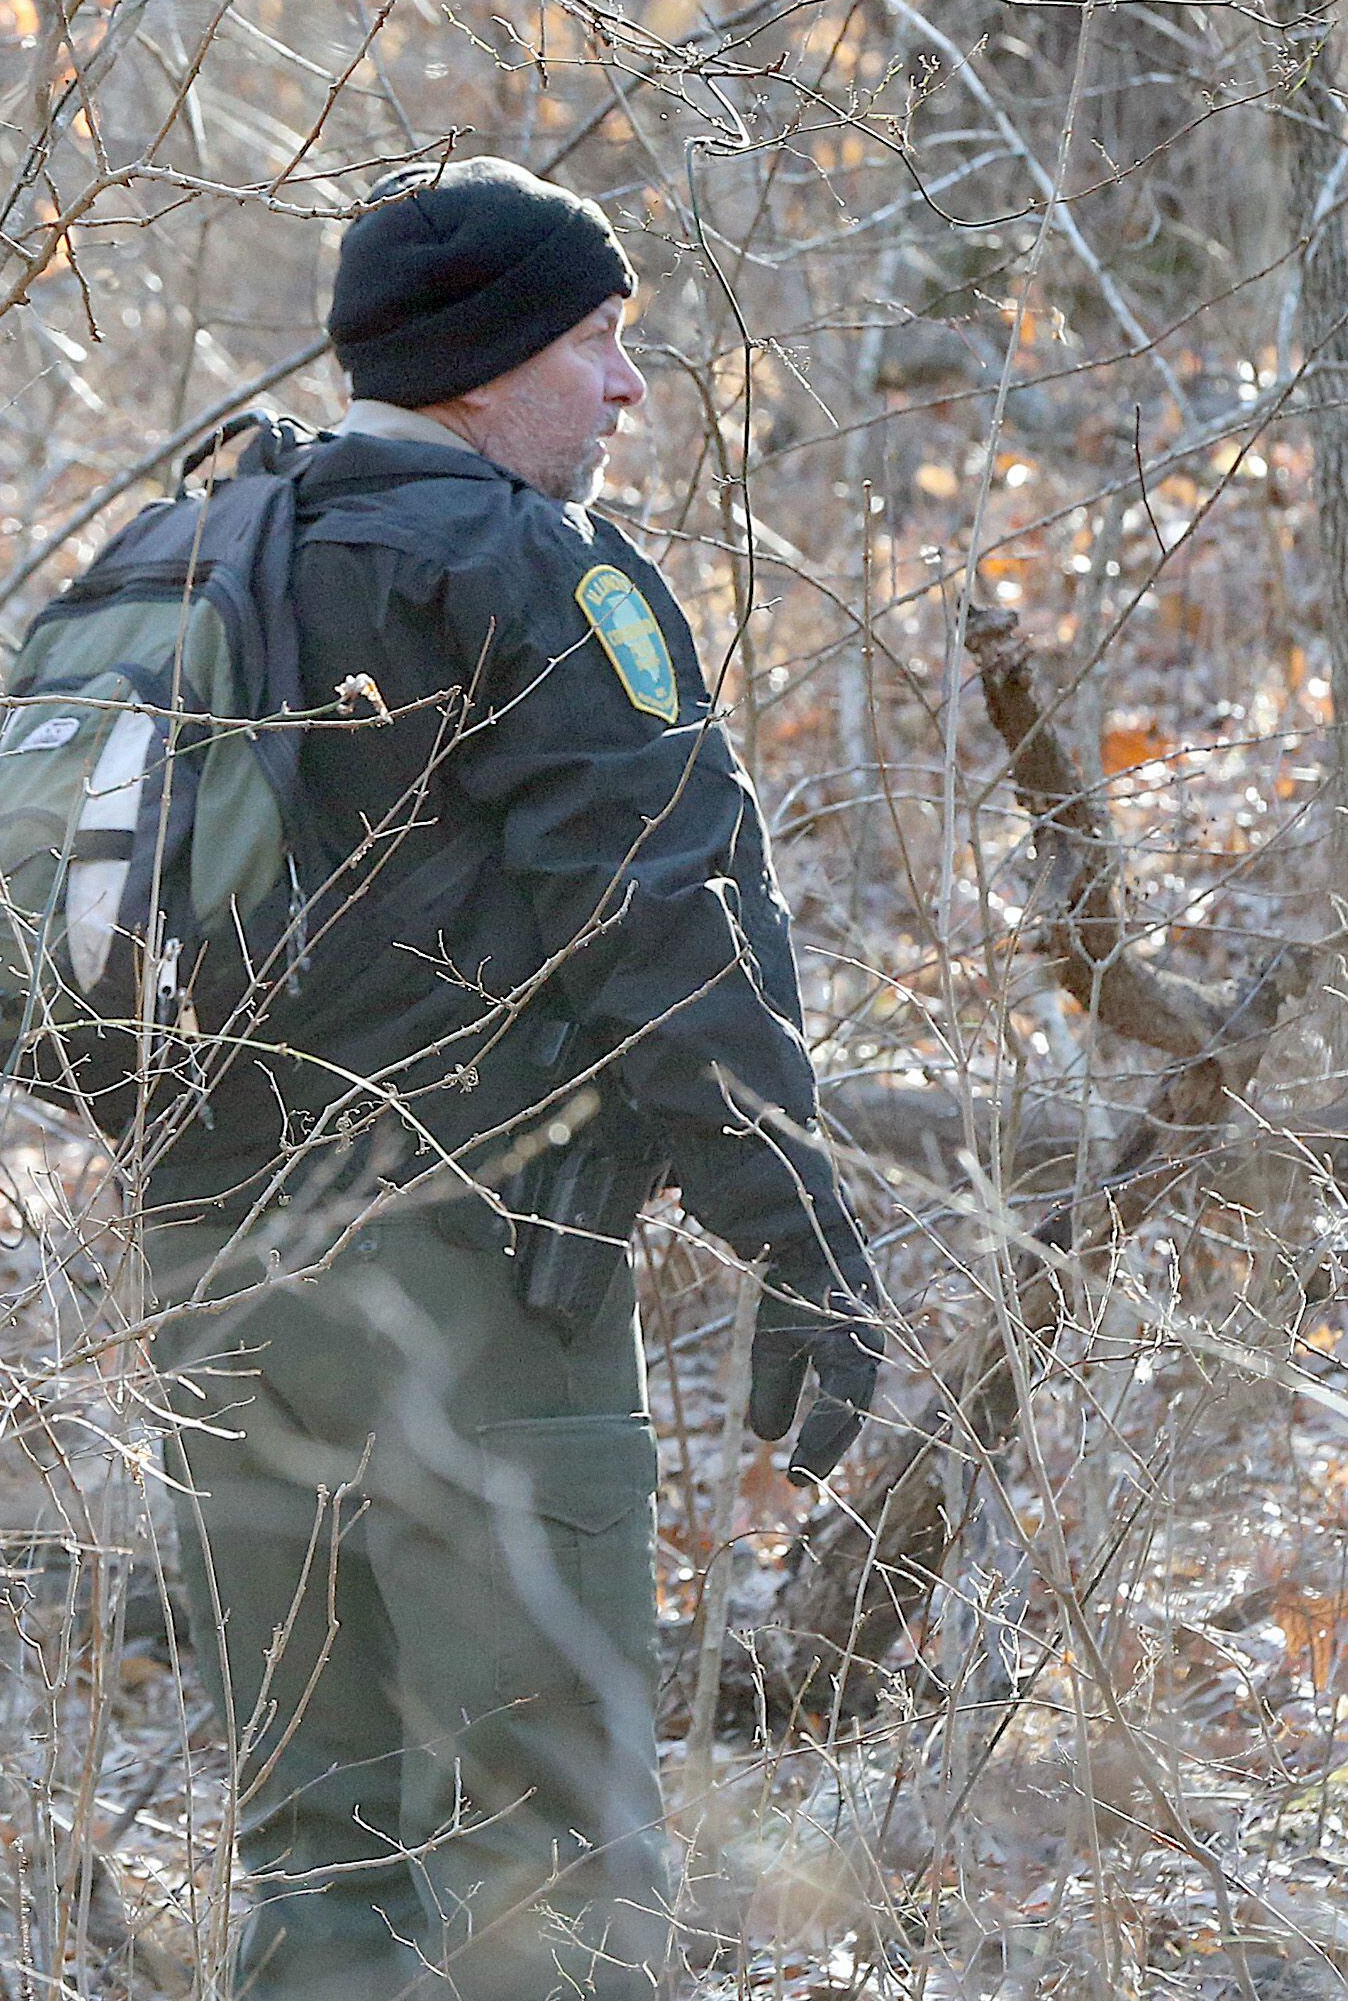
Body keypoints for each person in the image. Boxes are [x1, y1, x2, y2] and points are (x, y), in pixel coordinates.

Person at [140, 157, 880, 2001]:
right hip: (477, 1289)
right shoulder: (520, 568)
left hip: (209, 1277)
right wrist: (803, 1244)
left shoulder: (199, 556)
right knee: (542, 1865)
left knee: (323, 1862)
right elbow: (667, 931)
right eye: (598, 342)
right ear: (481, 368)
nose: (628, 389)